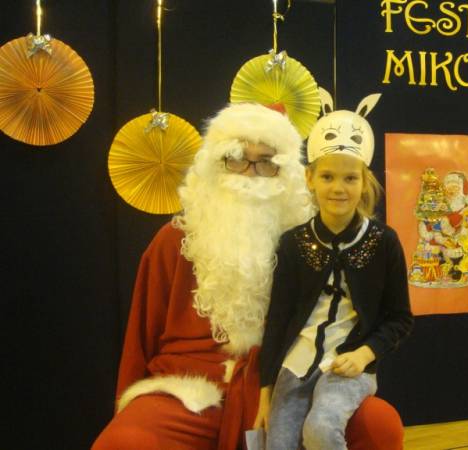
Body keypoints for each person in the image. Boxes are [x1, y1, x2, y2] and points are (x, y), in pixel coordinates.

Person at [92, 103, 396, 450]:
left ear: (289, 173)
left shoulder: (312, 242)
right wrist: (126, 405)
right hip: (187, 387)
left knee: (379, 425)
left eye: (266, 162)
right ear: (213, 163)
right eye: (236, 158)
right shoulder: (174, 240)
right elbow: (140, 337)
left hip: (289, 379)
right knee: (125, 442)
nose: (250, 174)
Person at [254, 92, 414, 450]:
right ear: (310, 178)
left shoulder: (383, 241)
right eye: (327, 176)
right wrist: (265, 393)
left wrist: (365, 354)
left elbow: (400, 318)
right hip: (295, 366)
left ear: (364, 181)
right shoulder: (293, 243)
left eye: (350, 179)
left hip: (348, 366)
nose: (338, 188)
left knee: (321, 430)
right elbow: (278, 320)